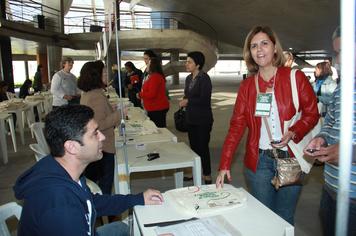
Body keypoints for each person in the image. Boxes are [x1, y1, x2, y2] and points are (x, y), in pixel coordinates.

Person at [215, 26, 319, 225]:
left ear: (274, 48)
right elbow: (236, 126)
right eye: (254, 46)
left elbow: (312, 113)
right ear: (249, 52)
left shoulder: (294, 78)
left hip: (290, 158)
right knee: (263, 219)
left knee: (285, 217)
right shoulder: (247, 87)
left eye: (264, 43)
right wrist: (224, 164)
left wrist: (294, 131)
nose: (259, 49)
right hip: (259, 161)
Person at [13, 105, 163, 236]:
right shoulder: (59, 206)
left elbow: (90, 202)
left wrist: (138, 199)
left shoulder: (61, 168)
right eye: (95, 133)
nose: (103, 137)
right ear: (72, 147)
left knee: (121, 227)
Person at [304, 26, 356, 236]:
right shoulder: (343, 88)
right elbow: (331, 122)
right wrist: (322, 138)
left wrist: (349, 154)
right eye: (337, 53)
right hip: (332, 193)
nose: (338, 61)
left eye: (344, 51)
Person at [78, 60, 120, 194]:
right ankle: (105, 211)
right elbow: (98, 124)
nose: (107, 75)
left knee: (95, 184)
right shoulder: (96, 96)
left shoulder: (88, 93)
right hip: (104, 146)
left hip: (93, 146)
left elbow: (95, 115)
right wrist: (119, 115)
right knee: (104, 185)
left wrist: (109, 109)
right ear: (96, 76)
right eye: (104, 72)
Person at [179, 51, 214, 184]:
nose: (186, 64)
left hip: (203, 120)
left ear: (198, 65)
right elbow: (187, 94)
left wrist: (188, 101)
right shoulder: (189, 78)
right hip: (191, 118)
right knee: (193, 147)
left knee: (203, 148)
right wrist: (184, 100)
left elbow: (204, 99)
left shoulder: (204, 78)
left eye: (189, 62)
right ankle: (195, 172)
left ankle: (207, 174)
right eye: (186, 61)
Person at [137, 57, 169, 127]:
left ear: (153, 66)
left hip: (157, 108)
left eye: (148, 63)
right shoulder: (153, 76)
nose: (147, 65)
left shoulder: (155, 77)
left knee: (158, 130)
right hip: (155, 108)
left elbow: (152, 94)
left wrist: (140, 95)